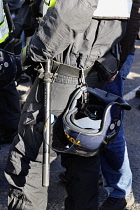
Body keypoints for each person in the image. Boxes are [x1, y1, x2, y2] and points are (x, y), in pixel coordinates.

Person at [4, 0, 133, 209]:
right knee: (83, 158)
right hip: (94, 75)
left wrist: (28, 56)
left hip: (62, 76)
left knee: (31, 159)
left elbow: (66, 19)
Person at [99, 1, 140, 209]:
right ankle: (99, 173)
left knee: (110, 127)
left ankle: (121, 191)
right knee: (93, 121)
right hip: (101, 55)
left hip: (113, 57)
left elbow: (131, 19)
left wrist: (119, 61)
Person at [0, 0, 22, 144]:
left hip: (2, 38)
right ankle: (11, 129)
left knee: (6, 86)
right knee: (6, 86)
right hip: (3, 38)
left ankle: (11, 129)